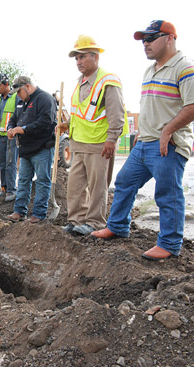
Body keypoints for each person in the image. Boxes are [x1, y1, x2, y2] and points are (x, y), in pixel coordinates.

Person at [91, 20, 194, 260]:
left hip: (167, 144)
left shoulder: (185, 68)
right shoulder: (150, 70)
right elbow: (152, 107)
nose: (145, 44)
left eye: (151, 38)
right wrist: (140, 132)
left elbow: (191, 106)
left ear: (169, 38)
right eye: (143, 40)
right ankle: (117, 226)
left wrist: (168, 130)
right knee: (125, 181)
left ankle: (169, 244)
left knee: (167, 193)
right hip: (145, 142)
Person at [58, 35, 128, 236]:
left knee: (98, 186)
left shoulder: (108, 80)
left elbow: (117, 113)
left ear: (96, 57)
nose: (79, 62)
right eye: (76, 58)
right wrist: (67, 124)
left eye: (82, 57)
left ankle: (95, 222)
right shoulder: (81, 82)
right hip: (78, 143)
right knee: (75, 186)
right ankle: (76, 220)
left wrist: (112, 139)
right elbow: (82, 111)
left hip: (99, 143)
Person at [6, 76, 57, 223]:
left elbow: (46, 121)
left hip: (42, 148)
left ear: (27, 87)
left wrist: (24, 129)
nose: (17, 95)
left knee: (42, 181)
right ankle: (19, 211)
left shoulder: (45, 99)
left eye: (19, 91)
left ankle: (38, 214)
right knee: (23, 180)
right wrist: (11, 128)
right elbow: (13, 119)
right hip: (26, 149)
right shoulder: (21, 102)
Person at [0, 73, 19, 202]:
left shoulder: (15, 97)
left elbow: (20, 115)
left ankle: (11, 190)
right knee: (2, 164)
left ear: (6, 84)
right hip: (1, 137)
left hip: (11, 137)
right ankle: (4, 188)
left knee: (10, 164)